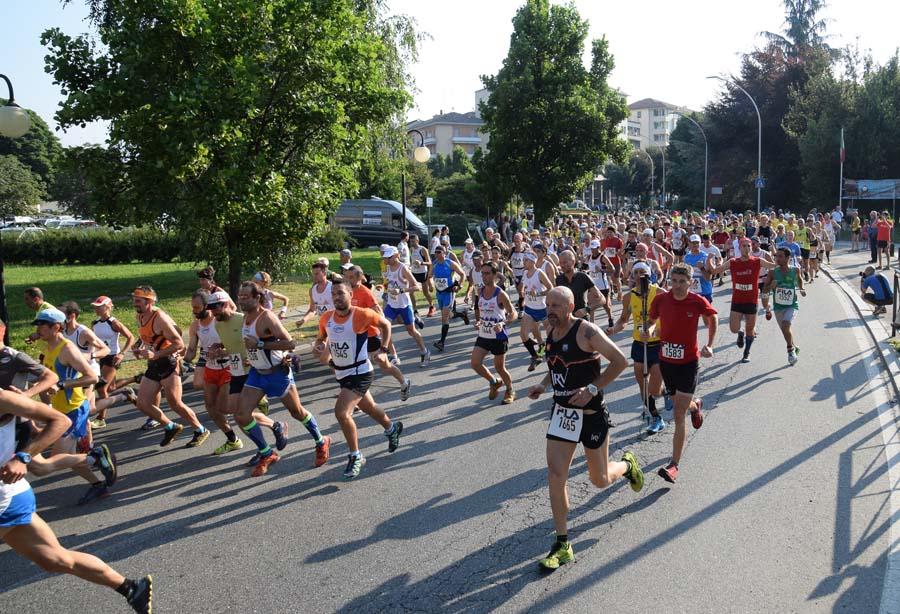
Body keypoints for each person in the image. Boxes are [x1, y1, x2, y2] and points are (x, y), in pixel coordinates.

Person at [0, 390, 153, 613]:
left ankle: (94, 458)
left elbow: (59, 420)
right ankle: (131, 588)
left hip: (6, 499)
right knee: (55, 559)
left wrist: (23, 456)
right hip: (12, 496)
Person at [527, 286, 643, 570]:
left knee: (600, 479)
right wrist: (543, 385)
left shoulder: (586, 331)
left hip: (591, 414)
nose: (549, 309)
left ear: (569, 306)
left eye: (555, 305)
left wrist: (593, 388)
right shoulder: (551, 333)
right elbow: (557, 365)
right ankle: (562, 542)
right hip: (563, 415)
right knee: (555, 474)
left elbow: (619, 361)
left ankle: (627, 466)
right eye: (547, 304)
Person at [313, 279, 403, 480]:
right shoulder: (326, 318)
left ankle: (356, 456)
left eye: (340, 293)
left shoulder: (361, 314)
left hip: (361, 372)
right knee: (369, 407)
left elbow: (386, 324)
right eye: (334, 294)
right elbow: (321, 340)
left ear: (350, 295)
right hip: (341, 374)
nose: (336, 297)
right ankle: (392, 427)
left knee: (342, 413)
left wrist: (384, 350)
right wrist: (318, 347)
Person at [238, 283, 331, 476]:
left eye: (246, 296)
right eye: (240, 296)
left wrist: (261, 344)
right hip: (257, 373)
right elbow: (252, 345)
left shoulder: (267, 317)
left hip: (277, 373)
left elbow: (290, 342)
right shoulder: (246, 318)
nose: (241, 299)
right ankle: (266, 453)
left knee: (297, 413)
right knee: (241, 414)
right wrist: (252, 356)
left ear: (258, 298)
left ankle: (321, 441)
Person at [32, 308, 120, 504]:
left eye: (41, 325)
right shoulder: (49, 346)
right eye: (37, 325)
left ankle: (97, 456)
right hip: (60, 409)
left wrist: (63, 385)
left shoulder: (67, 349)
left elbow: (91, 376)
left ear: (56, 327)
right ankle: (98, 485)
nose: (38, 329)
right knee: (68, 458)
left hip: (73, 409)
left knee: (54, 460)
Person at [648, 263, 717, 484]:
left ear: (690, 282)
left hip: (688, 363)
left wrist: (710, 344)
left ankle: (674, 465)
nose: (677, 286)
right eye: (673, 281)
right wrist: (648, 331)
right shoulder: (661, 300)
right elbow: (651, 322)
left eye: (681, 282)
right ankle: (696, 406)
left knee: (678, 414)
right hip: (666, 362)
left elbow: (712, 318)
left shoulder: (696, 301)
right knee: (673, 400)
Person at [131, 286, 209, 447]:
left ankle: (200, 429)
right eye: (134, 300)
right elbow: (146, 336)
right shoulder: (140, 315)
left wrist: (156, 354)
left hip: (168, 364)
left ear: (150, 302)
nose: (135, 303)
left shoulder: (159, 318)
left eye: (138, 301)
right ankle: (170, 426)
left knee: (175, 403)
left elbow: (179, 343)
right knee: (142, 403)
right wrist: (138, 346)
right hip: (154, 364)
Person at [607, 263, 667, 433]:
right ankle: (656, 417)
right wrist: (614, 329)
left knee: (655, 388)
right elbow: (624, 319)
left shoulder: (660, 293)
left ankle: (667, 392)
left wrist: (658, 329)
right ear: (632, 276)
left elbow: (669, 316)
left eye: (643, 273)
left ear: (650, 275)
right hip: (639, 344)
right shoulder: (629, 297)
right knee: (643, 385)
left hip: (658, 343)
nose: (640, 276)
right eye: (637, 273)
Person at [345, 265, 411, 400]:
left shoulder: (365, 293)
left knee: (385, 365)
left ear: (359, 278)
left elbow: (378, 312)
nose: (348, 279)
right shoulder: (347, 292)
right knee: (356, 367)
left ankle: (404, 382)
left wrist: (383, 333)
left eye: (351, 277)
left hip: (370, 335)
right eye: (347, 277)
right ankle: (357, 397)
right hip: (356, 336)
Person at [711, 238, 776, 362]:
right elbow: (716, 270)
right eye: (744, 246)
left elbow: (774, 266)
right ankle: (740, 333)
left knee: (750, 330)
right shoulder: (733, 262)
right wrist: (709, 260)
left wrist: (783, 259)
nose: (747, 248)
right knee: (733, 329)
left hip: (751, 301)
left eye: (749, 246)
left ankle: (747, 352)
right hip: (737, 301)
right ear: (739, 248)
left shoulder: (758, 261)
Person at [470, 261, 518, 404]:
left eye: (487, 273)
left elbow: (513, 313)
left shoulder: (500, 294)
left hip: (498, 336)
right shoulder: (480, 291)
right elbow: (480, 310)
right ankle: (494, 381)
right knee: (475, 363)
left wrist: (503, 323)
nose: (484, 276)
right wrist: (479, 321)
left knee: (499, 367)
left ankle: (510, 390)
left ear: (495, 275)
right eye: (482, 273)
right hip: (484, 334)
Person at [90, 296, 136, 429]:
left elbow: (130, 337)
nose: (96, 309)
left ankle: (101, 419)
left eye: (99, 306)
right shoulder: (95, 323)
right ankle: (132, 384)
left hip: (112, 357)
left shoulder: (113, 323)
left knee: (101, 388)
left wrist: (122, 354)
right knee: (111, 388)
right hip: (100, 358)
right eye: (95, 306)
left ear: (108, 307)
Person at [381, 246, 431, 366]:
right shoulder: (387, 267)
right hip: (392, 305)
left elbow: (416, 286)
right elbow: (389, 283)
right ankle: (394, 356)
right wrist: (383, 287)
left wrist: (401, 291)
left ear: (395, 256)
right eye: (385, 257)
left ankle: (425, 352)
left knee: (411, 331)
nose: (385, 259)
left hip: (404, 305)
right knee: (384, 329)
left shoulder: (403, 268)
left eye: (388, 257)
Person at [764, 248, 807, 365]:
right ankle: (794, 346)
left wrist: (802, 288)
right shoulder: (772, 272)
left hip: (791, 304)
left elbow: (800, 279)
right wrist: (770, 286)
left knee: (786, 324)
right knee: (785, 331)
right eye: (776, 256)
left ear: (788, 258)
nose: (777, 258)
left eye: (780, 256)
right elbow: (765, 289)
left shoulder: (795, 270)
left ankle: (790, 351)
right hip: (778, 306)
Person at [431, 245, 469, 352]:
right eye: (436, 252)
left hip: (449, 293)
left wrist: (459, 285)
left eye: (439, 252)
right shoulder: (434, 264)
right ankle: (462, 314)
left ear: (444, 253)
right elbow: (429, 275)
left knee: (444, 317)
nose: (437, 254)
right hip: (439, 293)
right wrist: (430, 284)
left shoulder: (450, 263)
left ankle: (442, 342)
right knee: (450, 315)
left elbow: (462, 274)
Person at [520, 252, 554, 372]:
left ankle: (553, 355)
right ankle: (536, 356)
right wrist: (524, 295)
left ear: (532, 261)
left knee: (551, 335)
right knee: (523, 334)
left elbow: (551, 288)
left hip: (542, 308)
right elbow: (526, 286)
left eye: (526, 260)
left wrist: (539, 294)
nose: (523, 262)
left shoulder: (539, 273)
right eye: (524, 260)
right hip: (529, 308)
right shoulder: (525, 272)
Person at [555, 250, 603, 320]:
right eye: (560, 263)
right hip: (566, 321)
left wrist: (586, 309)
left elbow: (602, 299)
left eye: (565, 262)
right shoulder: (559, 279)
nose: (562, 265)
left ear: (573, 261)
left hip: (582, 321)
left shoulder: (582, 277)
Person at [296, 261, 334, 328]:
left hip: (336, 326)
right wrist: (303, 320)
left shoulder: (333, 288)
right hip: (322, 326)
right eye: (313, 274)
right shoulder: (312, 290)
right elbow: (312, 310)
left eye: (316, 274)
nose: (314, 276)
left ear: (324, 273)